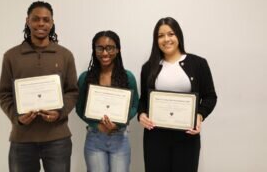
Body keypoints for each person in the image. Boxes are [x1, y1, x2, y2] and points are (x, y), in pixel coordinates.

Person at [0, 1, 78, 172]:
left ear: (52, 23)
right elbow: (4, 94)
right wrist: (17, 117)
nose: (41, 24)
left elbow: (72, 92)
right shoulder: (11, 56)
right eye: (36, 19)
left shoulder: (65, 55)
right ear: (27, 21)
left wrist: (60, 113)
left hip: (58, 139)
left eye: (46, 19)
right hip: (22, 140)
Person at [138, 17, 217, 172]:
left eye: (171, 34)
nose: (166, 39)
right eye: (160, 36)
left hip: (187, 136)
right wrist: (141, 114)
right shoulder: (149, 67)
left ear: (178, 35)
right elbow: (143, 101)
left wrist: (200, 115)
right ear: (156, 40)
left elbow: (210, 96)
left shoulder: (198, 64)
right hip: (155, 137)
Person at [76, 30, 139, 172]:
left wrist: (118, 123)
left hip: (120, 138)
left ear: (118, 50)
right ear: (94, 50)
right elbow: (79, 108)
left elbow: (135, 105)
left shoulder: (127, 77)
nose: (105, 53)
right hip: (94, 138)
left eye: (110, 48)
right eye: (100, 48)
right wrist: (96, 125)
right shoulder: (85, 78)